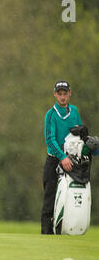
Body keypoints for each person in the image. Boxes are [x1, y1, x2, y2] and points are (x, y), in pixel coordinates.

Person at [41, 80, 82, 234]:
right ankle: (46, 235)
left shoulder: (74, 111)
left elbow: (79, 132)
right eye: (60, 94)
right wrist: (62, 157)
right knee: (49, 202)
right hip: (54, 161)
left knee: (70, 199)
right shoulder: (51, 115)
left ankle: (65, 231)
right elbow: (50, 140)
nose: (63, 97)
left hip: (72, 161)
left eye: (65, 94)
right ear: (55, 95)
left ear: (69, 94)